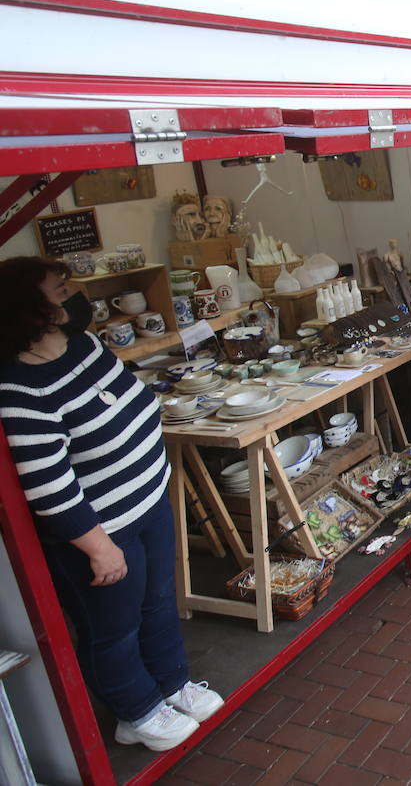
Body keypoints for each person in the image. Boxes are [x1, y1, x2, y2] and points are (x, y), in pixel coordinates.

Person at [0, 257, 223, 752]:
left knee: (160, 600)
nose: (73, 295)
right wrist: (98, 547)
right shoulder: (20, 391)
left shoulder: (83, 344)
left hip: (147, 499)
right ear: (30, 311)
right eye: (61, 290)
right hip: (101, 530)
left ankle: (171, 684)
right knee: (113, 628)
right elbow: (49, 485)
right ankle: (136, 712)